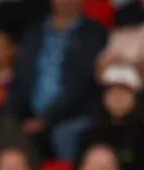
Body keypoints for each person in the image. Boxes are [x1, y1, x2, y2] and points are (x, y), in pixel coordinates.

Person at [9, 0, 108, 161]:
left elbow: (80, 83)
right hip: (30, 114)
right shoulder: (33, 33)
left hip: (73, 114)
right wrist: (12, 120)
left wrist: (46, 119)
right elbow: (20, 78)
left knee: (64, 134)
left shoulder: (95, 34)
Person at [79, 65, 144, 170]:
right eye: (113, 92)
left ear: (135, 98)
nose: (118, 98)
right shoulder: (90, 133)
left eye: (124, 93)